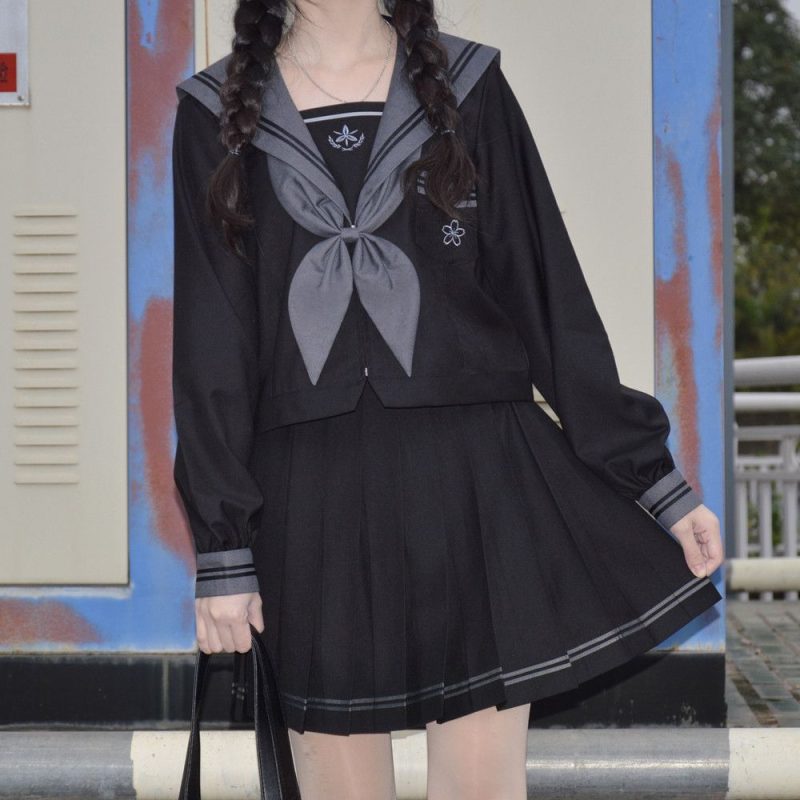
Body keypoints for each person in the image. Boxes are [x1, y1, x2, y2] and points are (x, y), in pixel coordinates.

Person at [170, 1, 725, 798]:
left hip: (476, 486)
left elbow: (548, 296)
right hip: (310, 501)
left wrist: (655, 483)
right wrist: (224, 552)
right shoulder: (215, 112)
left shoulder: (470, 86)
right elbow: (211, 344)